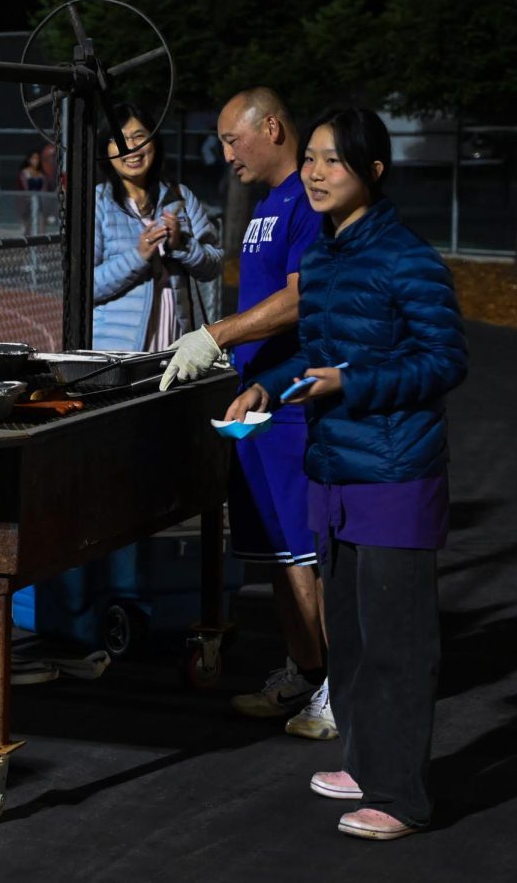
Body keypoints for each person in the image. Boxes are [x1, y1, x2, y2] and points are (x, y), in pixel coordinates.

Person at [225, 107, 467, 839]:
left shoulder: (408, 259)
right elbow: (318, 350)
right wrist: (272, 381)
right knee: (354, 639)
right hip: (335, 471)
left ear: (374, 172)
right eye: (314, 160)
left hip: (395, 474)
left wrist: (351, 383)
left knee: (397, 643)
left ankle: (401, 797)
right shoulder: (326, 256)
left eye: (335, 161)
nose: (317, 172)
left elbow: (444, 360)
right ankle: (367, 765)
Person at [160, 87, 332, 738]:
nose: (224, 151)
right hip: (254, 401)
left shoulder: (309, 205)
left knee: (306, 556)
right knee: (278, 554)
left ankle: (338, 687)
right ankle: (304, 671)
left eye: (234, 138)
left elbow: (300, 299)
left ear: (275, 128)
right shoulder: (266, 204)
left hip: (290, 406)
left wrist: (219, 336)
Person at [92, 105, 223, 351]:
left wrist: (182, 245)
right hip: (116, 351)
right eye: (119, 139)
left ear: (154, 141)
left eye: (139, 136)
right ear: (105, 150)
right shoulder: (96, 203)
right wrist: (138, 256)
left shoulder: (180, 196)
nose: (130, 147)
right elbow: (86, 287)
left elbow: (214, 264)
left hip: (176, 342)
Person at [17, 149, 47, 236]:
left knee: (40, 224)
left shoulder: (41, 174)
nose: (35, 161)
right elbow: (23, 188)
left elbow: (44, 188)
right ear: (29, 159)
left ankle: (39, 246)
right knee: (28, 226)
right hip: (27, 203)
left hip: (40, 203)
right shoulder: (24, 173)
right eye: (33, 158)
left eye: (37, 158)